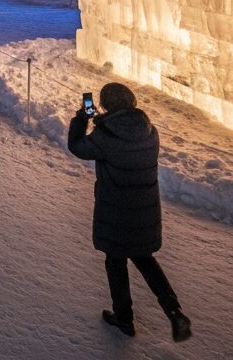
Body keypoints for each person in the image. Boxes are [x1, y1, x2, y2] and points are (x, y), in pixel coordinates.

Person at [68, 83, 192, 342]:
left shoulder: (107, 136)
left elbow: (79, 147)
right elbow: (125, 142)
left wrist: (83, 120)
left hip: (117, 211)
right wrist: (104, 122)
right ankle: (174, 310)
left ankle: (124, 319)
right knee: (145, 259)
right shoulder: (150, 131)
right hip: (144, 210)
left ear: (107, 105)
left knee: (116, 262)